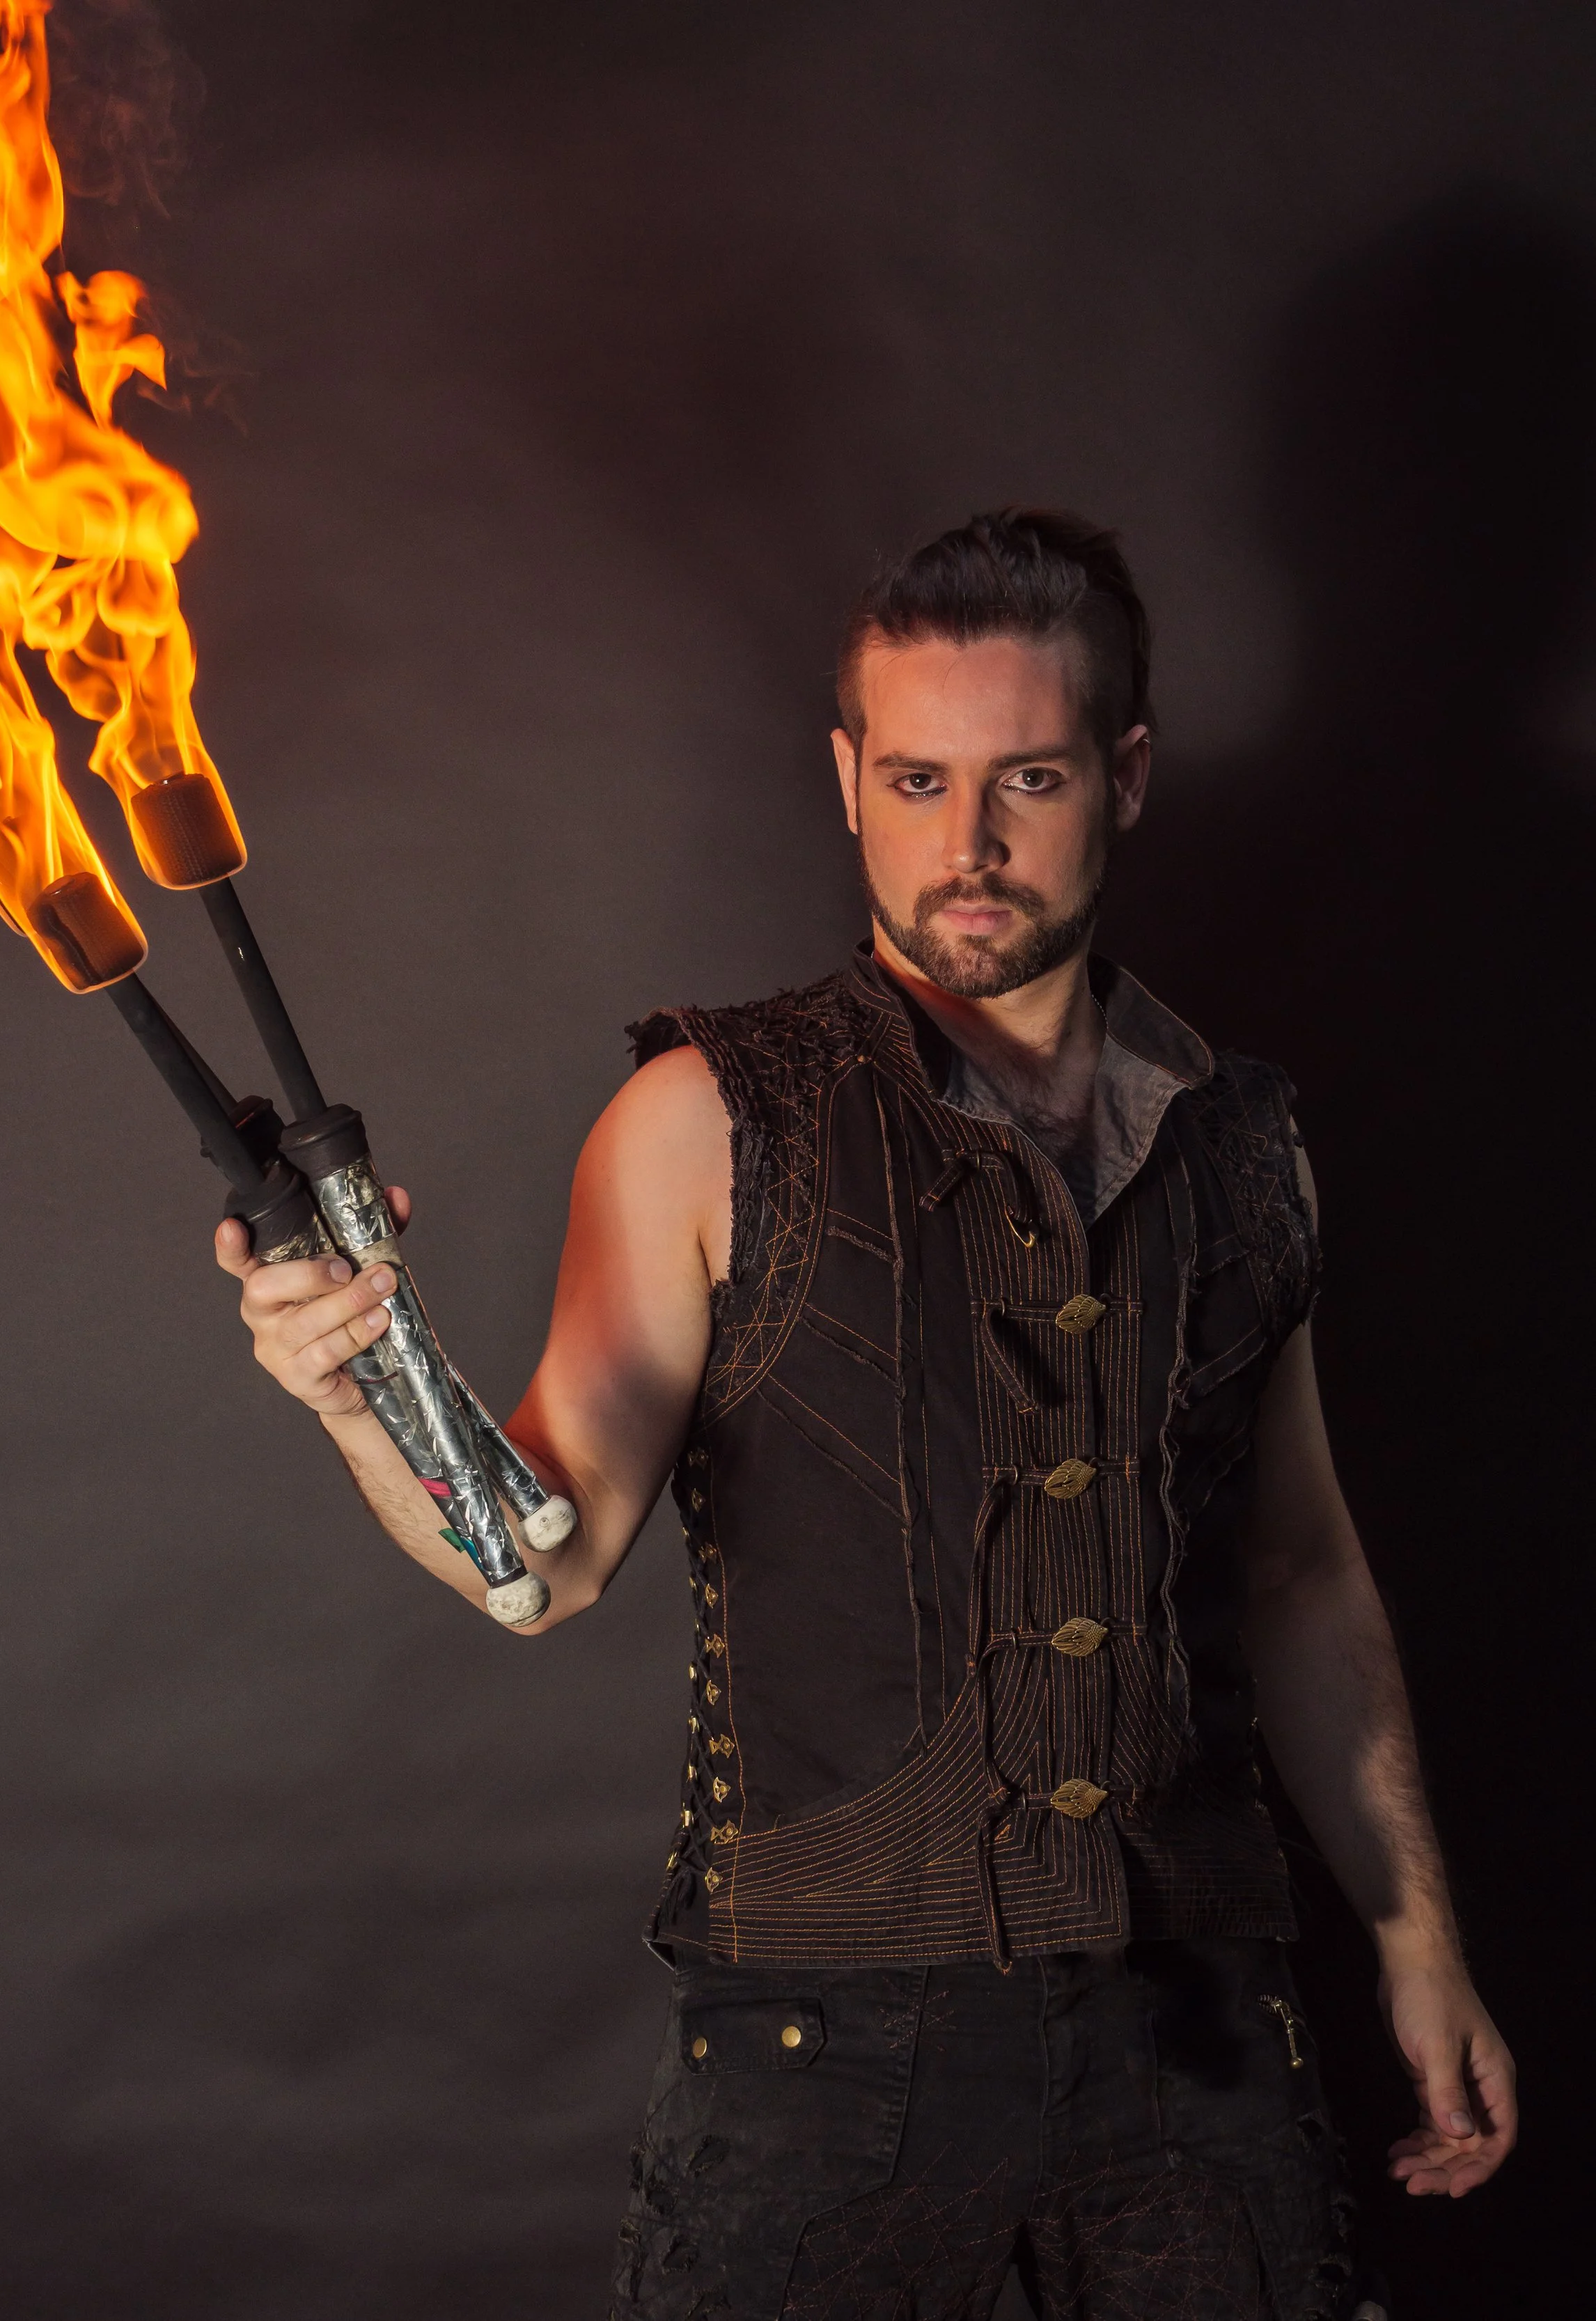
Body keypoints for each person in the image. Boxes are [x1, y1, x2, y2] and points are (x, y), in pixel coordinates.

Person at [215, 510, 1515, 2320]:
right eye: (913, 776)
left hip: (1201, 2055)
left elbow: (1299, 1570)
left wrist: (1415, 1931)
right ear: (845, 779)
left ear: (1122, 775)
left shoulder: (1246, 1138)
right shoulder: (703, 1119)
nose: (964, 843)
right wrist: (361, 1386)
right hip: (825, 2083)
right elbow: (548, 1553)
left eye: (1027, 777)